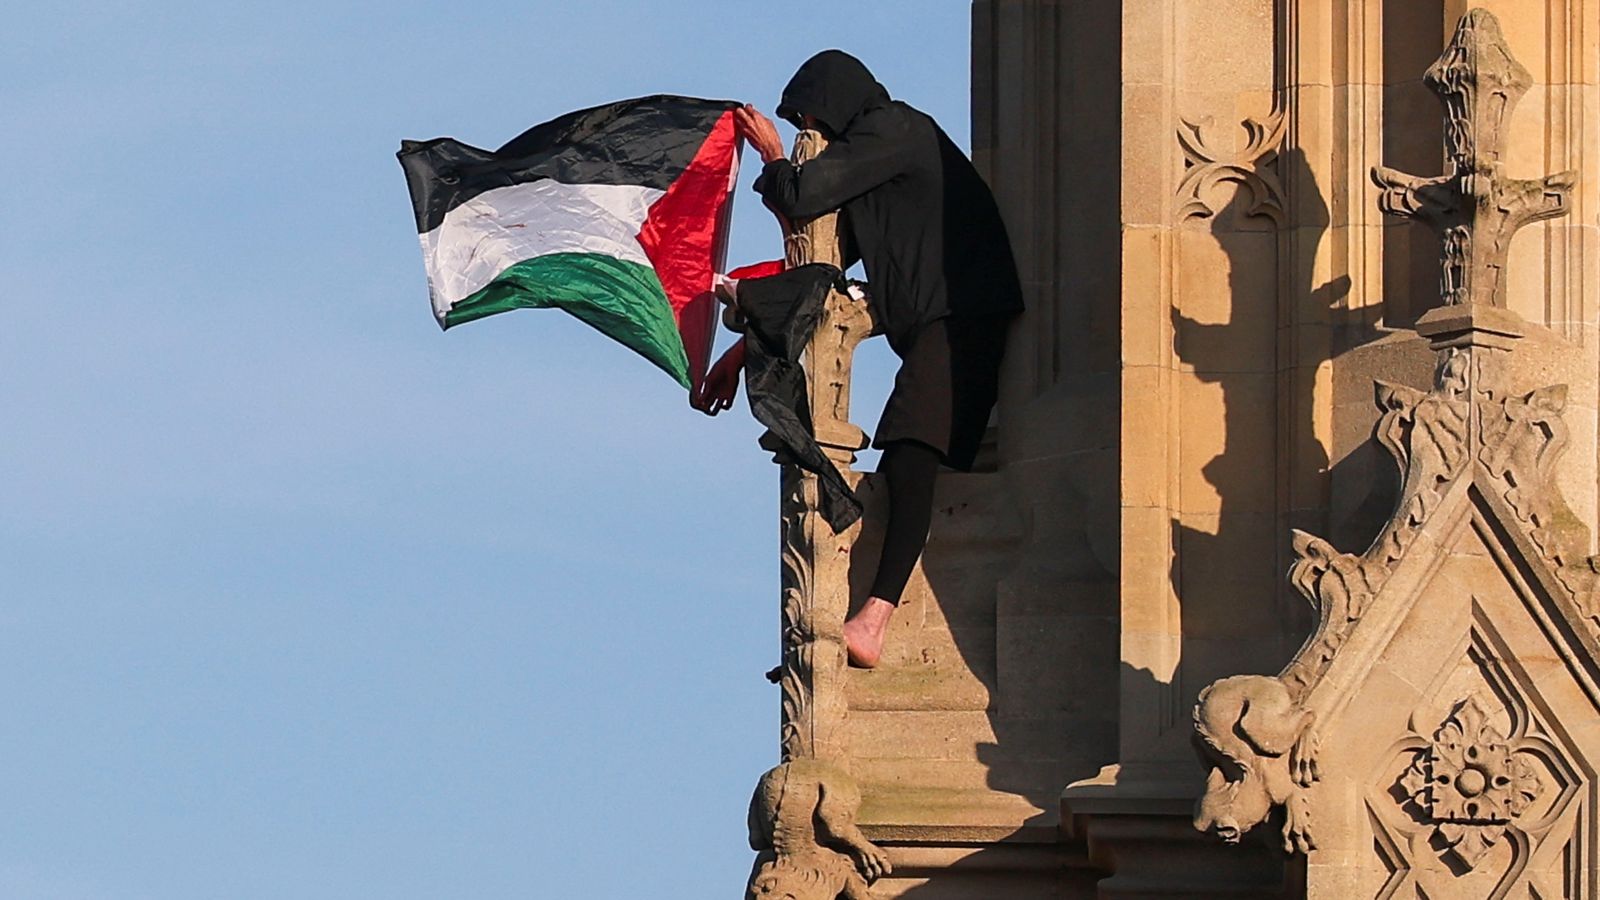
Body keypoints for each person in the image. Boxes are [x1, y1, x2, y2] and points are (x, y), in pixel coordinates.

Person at [693, 50, 1023, 668]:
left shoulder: (894, 127)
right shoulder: (877, 165)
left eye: (810, 118)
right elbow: (820, 275)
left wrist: (771, 153)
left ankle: (874, 619)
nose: (808, 135)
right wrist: (739, 354)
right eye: (796, 127)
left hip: (962, 318)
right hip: (944, 320)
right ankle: (877, 614)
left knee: (909, 456)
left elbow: (804, 194)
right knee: (914, 457)